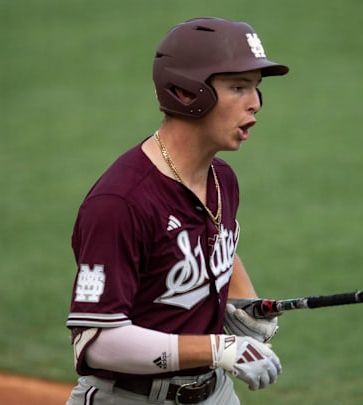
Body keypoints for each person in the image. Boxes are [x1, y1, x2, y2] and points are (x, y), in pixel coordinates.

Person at [65, 17, 290, 405]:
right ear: (187, 93)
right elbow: (99, 342)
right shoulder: (120, 203)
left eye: (256, 88)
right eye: (239, 87)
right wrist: (219, 349)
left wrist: (244, 305)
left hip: (215, 394)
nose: (255, 103)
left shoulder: (221, 177)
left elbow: (213, 243)